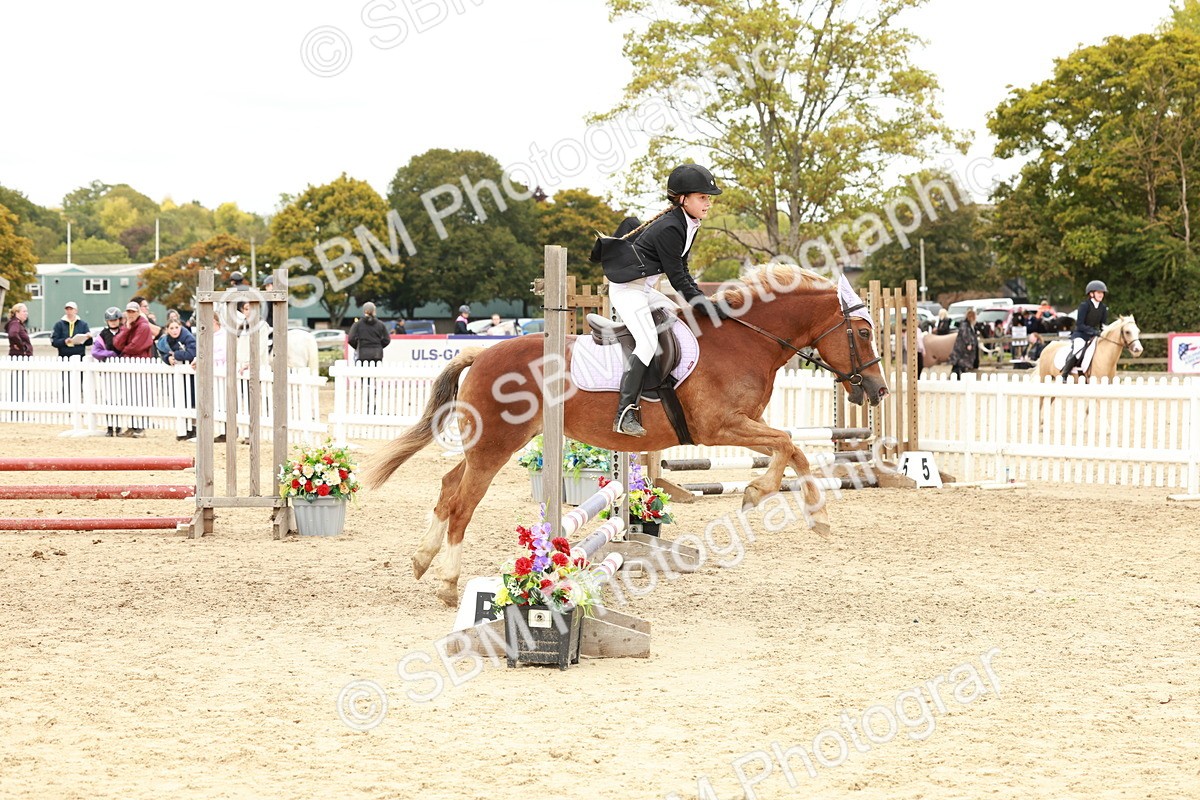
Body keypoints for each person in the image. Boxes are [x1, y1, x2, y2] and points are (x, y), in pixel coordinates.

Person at [591, 164, 722, 436]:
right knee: (648, 341)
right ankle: (625, 412)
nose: (708, 203)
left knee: (676, 318)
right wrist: (705, 305)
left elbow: (683, 268)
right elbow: (677, 278)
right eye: (702, 197)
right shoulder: (670, 228)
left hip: (644, 290)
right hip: (627, 290)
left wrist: (703, 302)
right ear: (683, 199)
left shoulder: (688, 223)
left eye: (708, 197)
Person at [113, 302, 157, 437]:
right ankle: (132, 426)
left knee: (140, 396)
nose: (131, 314)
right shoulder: (128, 326)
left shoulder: (143, 326)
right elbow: (117, 343)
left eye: (133, 311)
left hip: (140, 364)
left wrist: (123, 351)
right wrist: (126, 329)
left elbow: (135, 346)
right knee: (130, 396)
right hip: (130, 364)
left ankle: (140, 427)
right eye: (129, 312)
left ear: (138, 312)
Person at [158, 319, 198, 440]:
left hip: (191, 373)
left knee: (192, 401)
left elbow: (192, 353)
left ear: (180, 327)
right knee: (181, 400)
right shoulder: (166, 340)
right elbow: (162, 353)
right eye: (171, 328)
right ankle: (184, 428)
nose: (174, 330)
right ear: (167, 330)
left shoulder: (188, 337)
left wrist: (175, 355)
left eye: (176, 327)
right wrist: (168, 358)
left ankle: (194, 428)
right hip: (178, 374)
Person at [1061, 280, 1108, 379]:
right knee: (1078, 349)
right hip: (1080, 334)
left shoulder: (1103, 308)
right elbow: (1080, 324)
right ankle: (1065, 373)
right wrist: (1093, 331)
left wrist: (1104, 332)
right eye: (1099, 292)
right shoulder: (1084, 305)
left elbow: (1103, 325)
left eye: (1102, 293)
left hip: (1093, 336)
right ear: (1091, 294)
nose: (1101, 295)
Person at [91, 307, 127, 436]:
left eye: (115, 320)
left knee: (120, 399)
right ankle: (110, 427)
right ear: (107, 321)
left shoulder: (125, 331)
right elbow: (95, 352)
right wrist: (110, 354)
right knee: (109, 399)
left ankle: (119, 427)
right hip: (108, 372)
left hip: (123, 371)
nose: (113, 322)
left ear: (119, 320)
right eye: (110, 320)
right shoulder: (103, 334)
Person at [949, 308, 979, 379]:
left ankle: (956, 377)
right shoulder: (965, 325)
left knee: (959, 365)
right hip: (962, 350)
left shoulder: (969, 325)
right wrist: (969, 343)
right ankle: (955, 378)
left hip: (963, 350)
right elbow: (965, 335)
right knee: (959, 364)